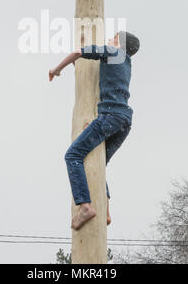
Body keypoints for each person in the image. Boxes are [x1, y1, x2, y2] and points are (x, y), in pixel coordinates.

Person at [49, 30, 140, 230]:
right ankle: (106, 210)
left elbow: (77, 52)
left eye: (114, 37)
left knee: (73, 155)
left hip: (109, 116)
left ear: (119, 44)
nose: (109, 39)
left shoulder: (111, 51)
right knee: (100, 163)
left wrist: (56, 69)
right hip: (125, 119)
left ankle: (85, 205)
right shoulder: (126, 63)